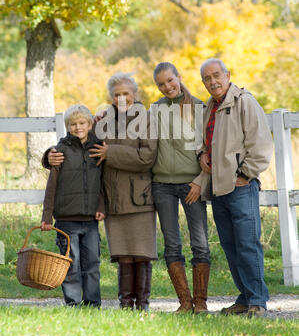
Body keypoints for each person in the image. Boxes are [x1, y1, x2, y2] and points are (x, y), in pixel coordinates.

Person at [45, 73, 158, 311]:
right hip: (112, 197)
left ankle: (142, 304)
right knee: (123, 253)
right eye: (117, 94)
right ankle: (125, 303)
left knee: (141, 252)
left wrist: (111, 154)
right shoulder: (103, 120)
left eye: (126, 93)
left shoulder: (147, 119)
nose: (122, 98)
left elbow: (147, 157)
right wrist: (47, 156)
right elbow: (77, 140)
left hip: (139, 196)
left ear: (135, 94)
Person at [196, 58, 273, 317]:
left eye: (216, 75)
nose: (212, 82)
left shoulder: (245, 102)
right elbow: (205, 141)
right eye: (207, 78)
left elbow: (261, 146)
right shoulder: (210, 106)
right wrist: (201, 155)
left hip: (241, 187)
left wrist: (244, 174)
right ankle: (245, 297)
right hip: (219, 188)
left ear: (228, 75)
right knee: (231, 246)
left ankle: (258, 302)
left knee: (247, 244)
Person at [151, 62, 210, 314]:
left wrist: (200, 182)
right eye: (161, 84)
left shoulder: (199, 108)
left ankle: (201, 303)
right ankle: (184, 302)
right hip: (162, 185)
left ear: (179, 77)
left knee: (200, 243)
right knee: (172, 244)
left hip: (192, 185)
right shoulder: (155, 109)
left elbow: (210, 150)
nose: (167, 87)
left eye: (170, 81)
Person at [41, 104, 105, 308]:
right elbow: (51, 185)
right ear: (68, 127)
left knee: (93, 262)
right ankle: (73, 303)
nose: (78, 127)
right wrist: (46, 216)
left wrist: (101, 206)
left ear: (90, 124)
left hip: (90, 218)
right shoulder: (60, 151)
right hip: (66, 218)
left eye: (82, 123)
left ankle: (93, 302)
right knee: (70, 262)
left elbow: (104, 182)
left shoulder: (98, 149)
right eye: (73, 124)